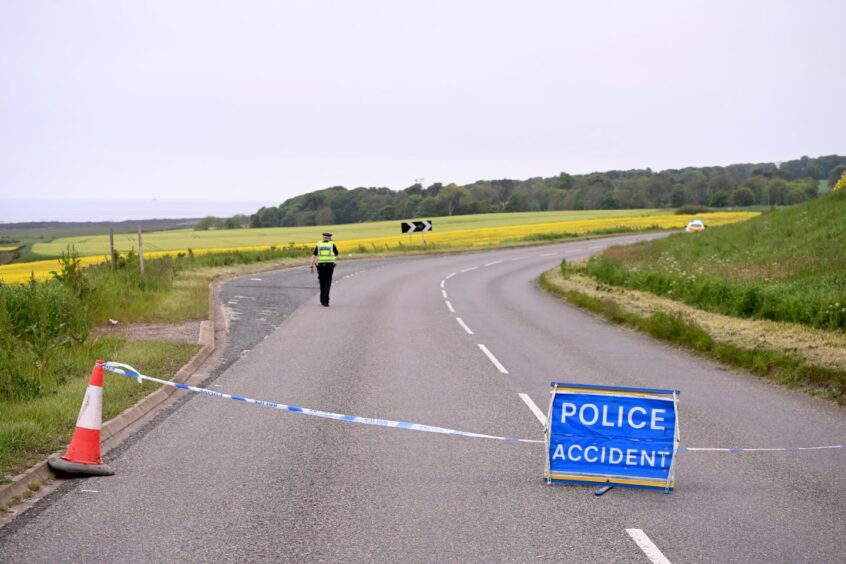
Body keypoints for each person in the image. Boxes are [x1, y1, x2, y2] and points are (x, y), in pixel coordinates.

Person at [310, 232, 339, 307]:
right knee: (327, 283)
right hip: (329, 266)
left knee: (322, 283)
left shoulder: (319, 244)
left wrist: (311, 266)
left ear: (323, 237)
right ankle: (326, 301)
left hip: (320, 266)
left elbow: (314, 255)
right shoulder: (331, 244)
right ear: (329, 238)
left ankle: (322, 300)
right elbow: (336, 253)